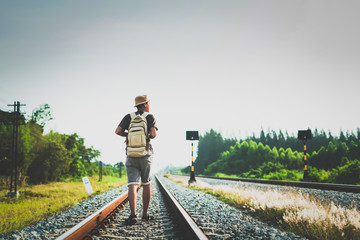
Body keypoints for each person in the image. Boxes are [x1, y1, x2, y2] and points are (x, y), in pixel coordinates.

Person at [115, 95, 158, 225]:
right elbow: (154, 134)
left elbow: (117, 131)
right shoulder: (149, 117)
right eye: (148, 103)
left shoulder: (129, 117)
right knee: (146, 184)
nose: (149, 105)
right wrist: (145, 137)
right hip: (145, 154)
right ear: (145, 104)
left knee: (132, 184)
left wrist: (129, 135)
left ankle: (133, 215)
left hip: (131, 154)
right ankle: (145, 215)